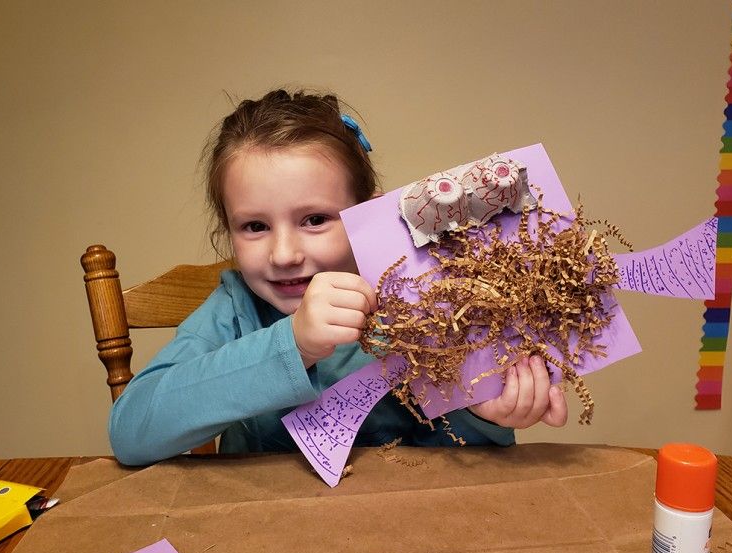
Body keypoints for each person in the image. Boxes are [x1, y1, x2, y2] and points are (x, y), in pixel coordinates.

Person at [109, 89, 568, 466]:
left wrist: (481, 414)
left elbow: (462, 470)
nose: (284, 254)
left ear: (372, 213)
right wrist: (292, 344)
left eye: (314, 220)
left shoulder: (426, 299)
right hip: (266, 538)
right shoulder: (235, 308)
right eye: (254, 226)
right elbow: (132, 432)